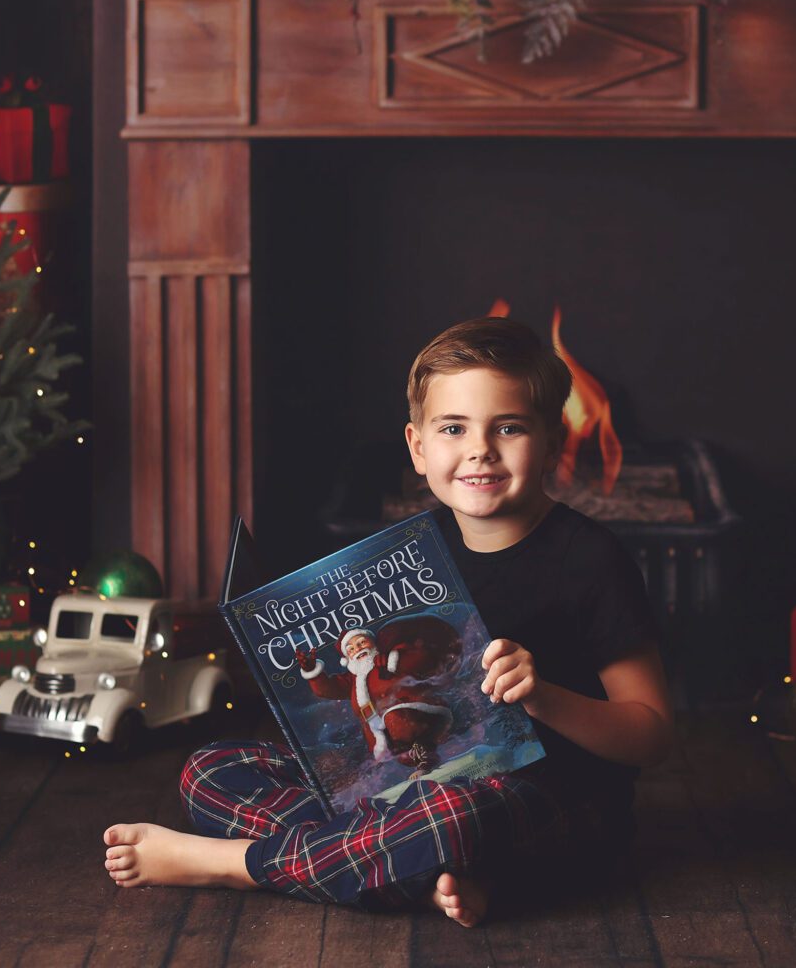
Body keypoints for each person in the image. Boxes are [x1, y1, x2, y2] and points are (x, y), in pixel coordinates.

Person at [103, 316, 673, 927]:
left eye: (508, 427)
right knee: (210, 771)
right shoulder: (410, 555)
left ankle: (232, 864)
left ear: (554, 443)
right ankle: (412, 872)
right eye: (453, 428)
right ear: (418, 448)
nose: (480, 448)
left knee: (454, 817)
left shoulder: (590, 559)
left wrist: (544, 699)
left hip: (548, 801)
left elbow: (652, 735)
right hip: (410, 781)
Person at [295, 616, 461, 773]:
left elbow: (423, 659)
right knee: (394, 748)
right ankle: (421, 763)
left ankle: (427, 751)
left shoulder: (392, 657)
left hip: (417, 713)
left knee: (396, 720)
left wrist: (394, 660)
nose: (358, 649)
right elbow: (326, 689)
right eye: (351, 649)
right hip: (382, 729)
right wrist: (312, 672)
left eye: (361, 643)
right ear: (348, 658)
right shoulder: (352, 679)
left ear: (373, 643)